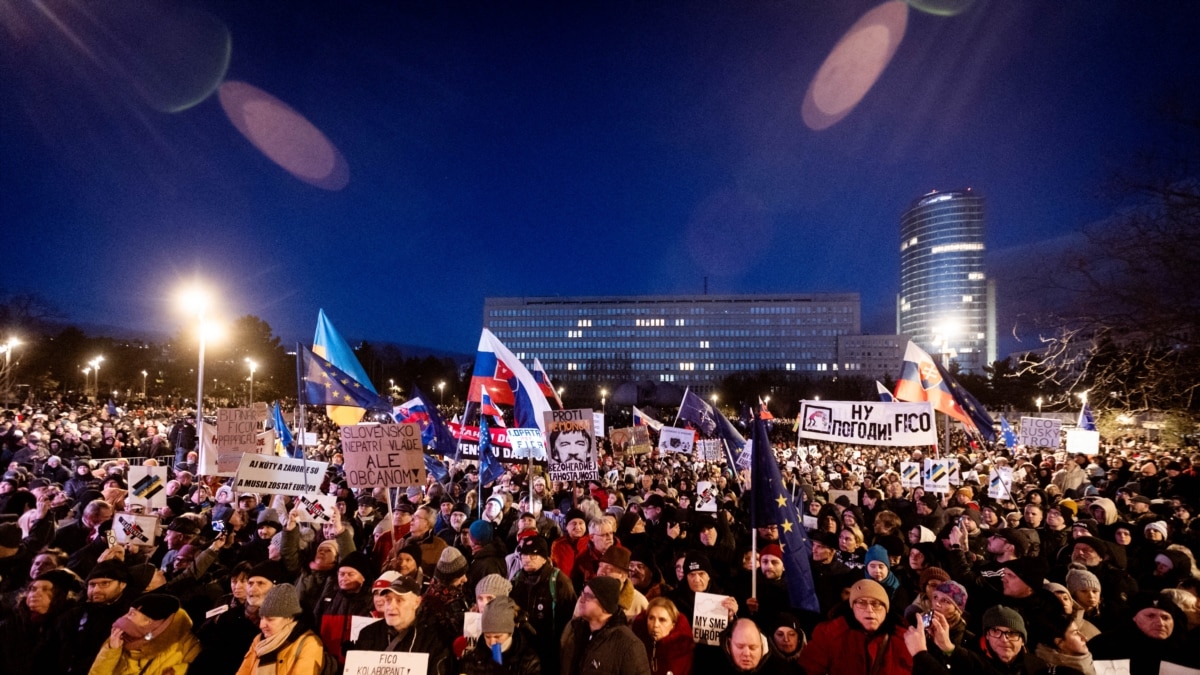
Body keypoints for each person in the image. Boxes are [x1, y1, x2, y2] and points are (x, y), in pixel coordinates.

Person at [800, 579, 913, 675]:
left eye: (876, 604)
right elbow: (808, 669)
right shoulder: (829, 634)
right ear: (852, 607)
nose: (869, 609)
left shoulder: (905, 640)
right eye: (861, 602)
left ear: (886, 610)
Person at [349, 575, 452, 675]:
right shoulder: (368, 634)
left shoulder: (435, 638)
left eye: (399, 600)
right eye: (388, 599)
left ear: (416, 602)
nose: (390, 606)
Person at [88, 593, 201, 675]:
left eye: (132, 614)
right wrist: (111, 651)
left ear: (150, 621)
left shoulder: (187, 645)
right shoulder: (120, 638)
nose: (124, 618)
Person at [560, 576, 650, 675]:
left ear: (605, 606)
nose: (581, 599)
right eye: (582, 593)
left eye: (588, 596)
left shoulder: (628, 645)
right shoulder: (573, 629)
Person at [236, 583, 327, 675]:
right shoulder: (259, 640)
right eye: (262, 618)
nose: (262, 625)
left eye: (270, 619)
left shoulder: (309, 643)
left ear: (289, 618)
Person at [459, 596, 540, 675]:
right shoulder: (473, 659)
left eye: (497, 636)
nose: (492, 642)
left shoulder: (528, 661)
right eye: (487, 636)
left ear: (510, 633)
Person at [631, 597, 694, 675]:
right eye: (651, 618)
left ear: (673, 624)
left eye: (662, 620)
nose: (655, 625)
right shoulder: (636, 646)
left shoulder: (682, 651)